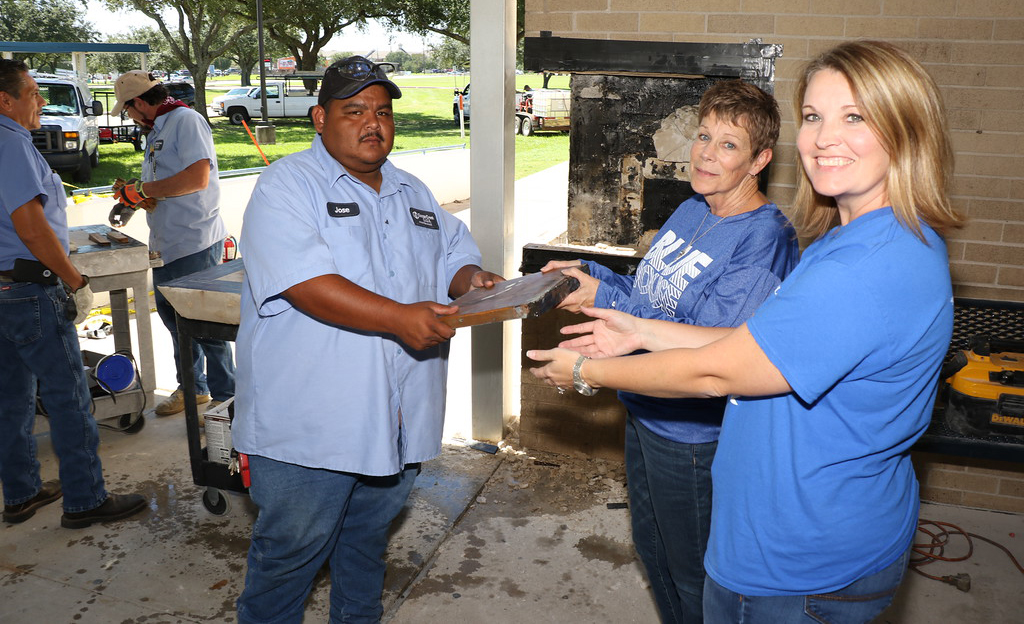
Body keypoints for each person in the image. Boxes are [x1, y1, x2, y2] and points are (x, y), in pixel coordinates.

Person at [528, 40, 966, 623]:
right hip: (796, 533)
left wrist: (585, 370)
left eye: (854, 117)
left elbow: (719, 371)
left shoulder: (862, 266)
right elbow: (754, 345)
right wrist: (634, 324)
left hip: (797, 559)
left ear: (907, 130)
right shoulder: (856, 240)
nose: (823, 137)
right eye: (814, 116)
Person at [233, 56, 504, 623]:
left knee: (365, 547)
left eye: (382, 111)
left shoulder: (411, 189)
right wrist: (401, 317)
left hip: (396, 417)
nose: (372, 123)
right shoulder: (287, 185)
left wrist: (470, 281)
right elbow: (307, 285)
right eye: (353, 110)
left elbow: (454, 251)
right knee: (288, 558)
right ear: (319, 117)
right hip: (311, 427)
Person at [541, 79, 798, 623]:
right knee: (651, 546)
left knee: (696, 570)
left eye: (728, 144)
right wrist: (587, 278)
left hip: (693, 435)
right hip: (645, 411)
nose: (706, 152)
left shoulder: (763, 241)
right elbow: (647, 302)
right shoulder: (691, 210)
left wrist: (593, 367)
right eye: (704, 135)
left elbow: (716, 352)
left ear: (760, 160)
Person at [0, 59, 146, 529]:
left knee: (13, 399)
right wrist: (74, 279)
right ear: (6, 100)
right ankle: (85, 500)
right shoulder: (11, 143)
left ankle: (21, 493)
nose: (41, 100)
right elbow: (31, 227)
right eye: (33, 92)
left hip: (5, 286)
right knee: (69, 398)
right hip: (29, 289)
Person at [110, 70, 234, 416]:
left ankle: (228, 397)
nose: (130, 117)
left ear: (139, 103)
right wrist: (132, 200)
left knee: (205, 323)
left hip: (194, 239)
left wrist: (144, 190)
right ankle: (194, 388)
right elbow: (163, 181)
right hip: (167, 241)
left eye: (129, 109)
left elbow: (197, 178)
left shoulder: (185, 121)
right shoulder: (158, 129)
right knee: (176, 320)